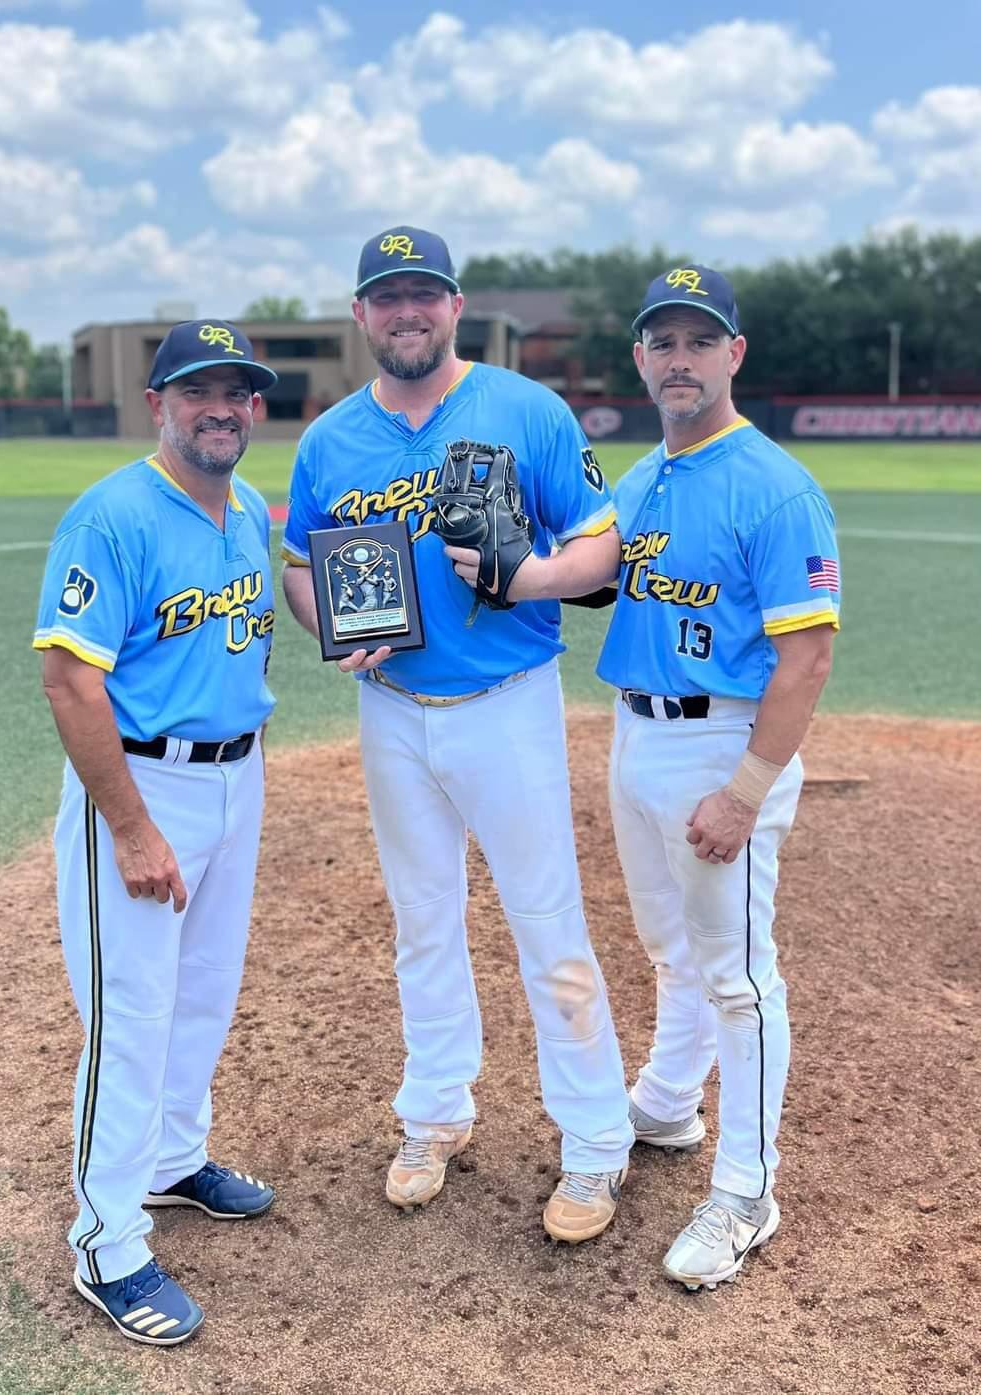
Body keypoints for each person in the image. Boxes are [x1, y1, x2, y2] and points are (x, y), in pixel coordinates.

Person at [450, 264, 840, 1290]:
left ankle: (749, 1191)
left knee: (741, 978)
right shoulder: (648, 476)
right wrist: (504, 572)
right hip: (640, 735)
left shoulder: (775, 486)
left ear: (733, 356)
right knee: (671, 946)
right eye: (661, 343)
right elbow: (589, 567)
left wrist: (749, 788)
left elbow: (807, 660)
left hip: (726, 742)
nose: (679, 359)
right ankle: (669, 1101)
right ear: (640, 360)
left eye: (698, 341)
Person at [281, 225, 635, 1244]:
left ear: (454, 305)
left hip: (509, 701)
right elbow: (304, 564)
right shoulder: (330, 439)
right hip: (390, 709)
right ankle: (434, 1115)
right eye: (386, 297)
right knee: (422, 924)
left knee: (546, 926)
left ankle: (595, 1143)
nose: (407, 312)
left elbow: (601, 540)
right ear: (361, 316)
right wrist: (332, 627)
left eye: (423, 294)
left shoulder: (525, 408)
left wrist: (533, 579)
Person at [33, 319, 280, 1344]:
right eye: (196, 391)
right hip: (140, 786)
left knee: (204, 991)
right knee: (130, 1016)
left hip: (237, 776)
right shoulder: (114, 516)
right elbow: (69, 679)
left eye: (236, 392)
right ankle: (107, 1243)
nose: (218, 408)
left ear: (255, 410)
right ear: (158, 405)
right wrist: (130, 830)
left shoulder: (252, 507)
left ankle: (175, 1157)